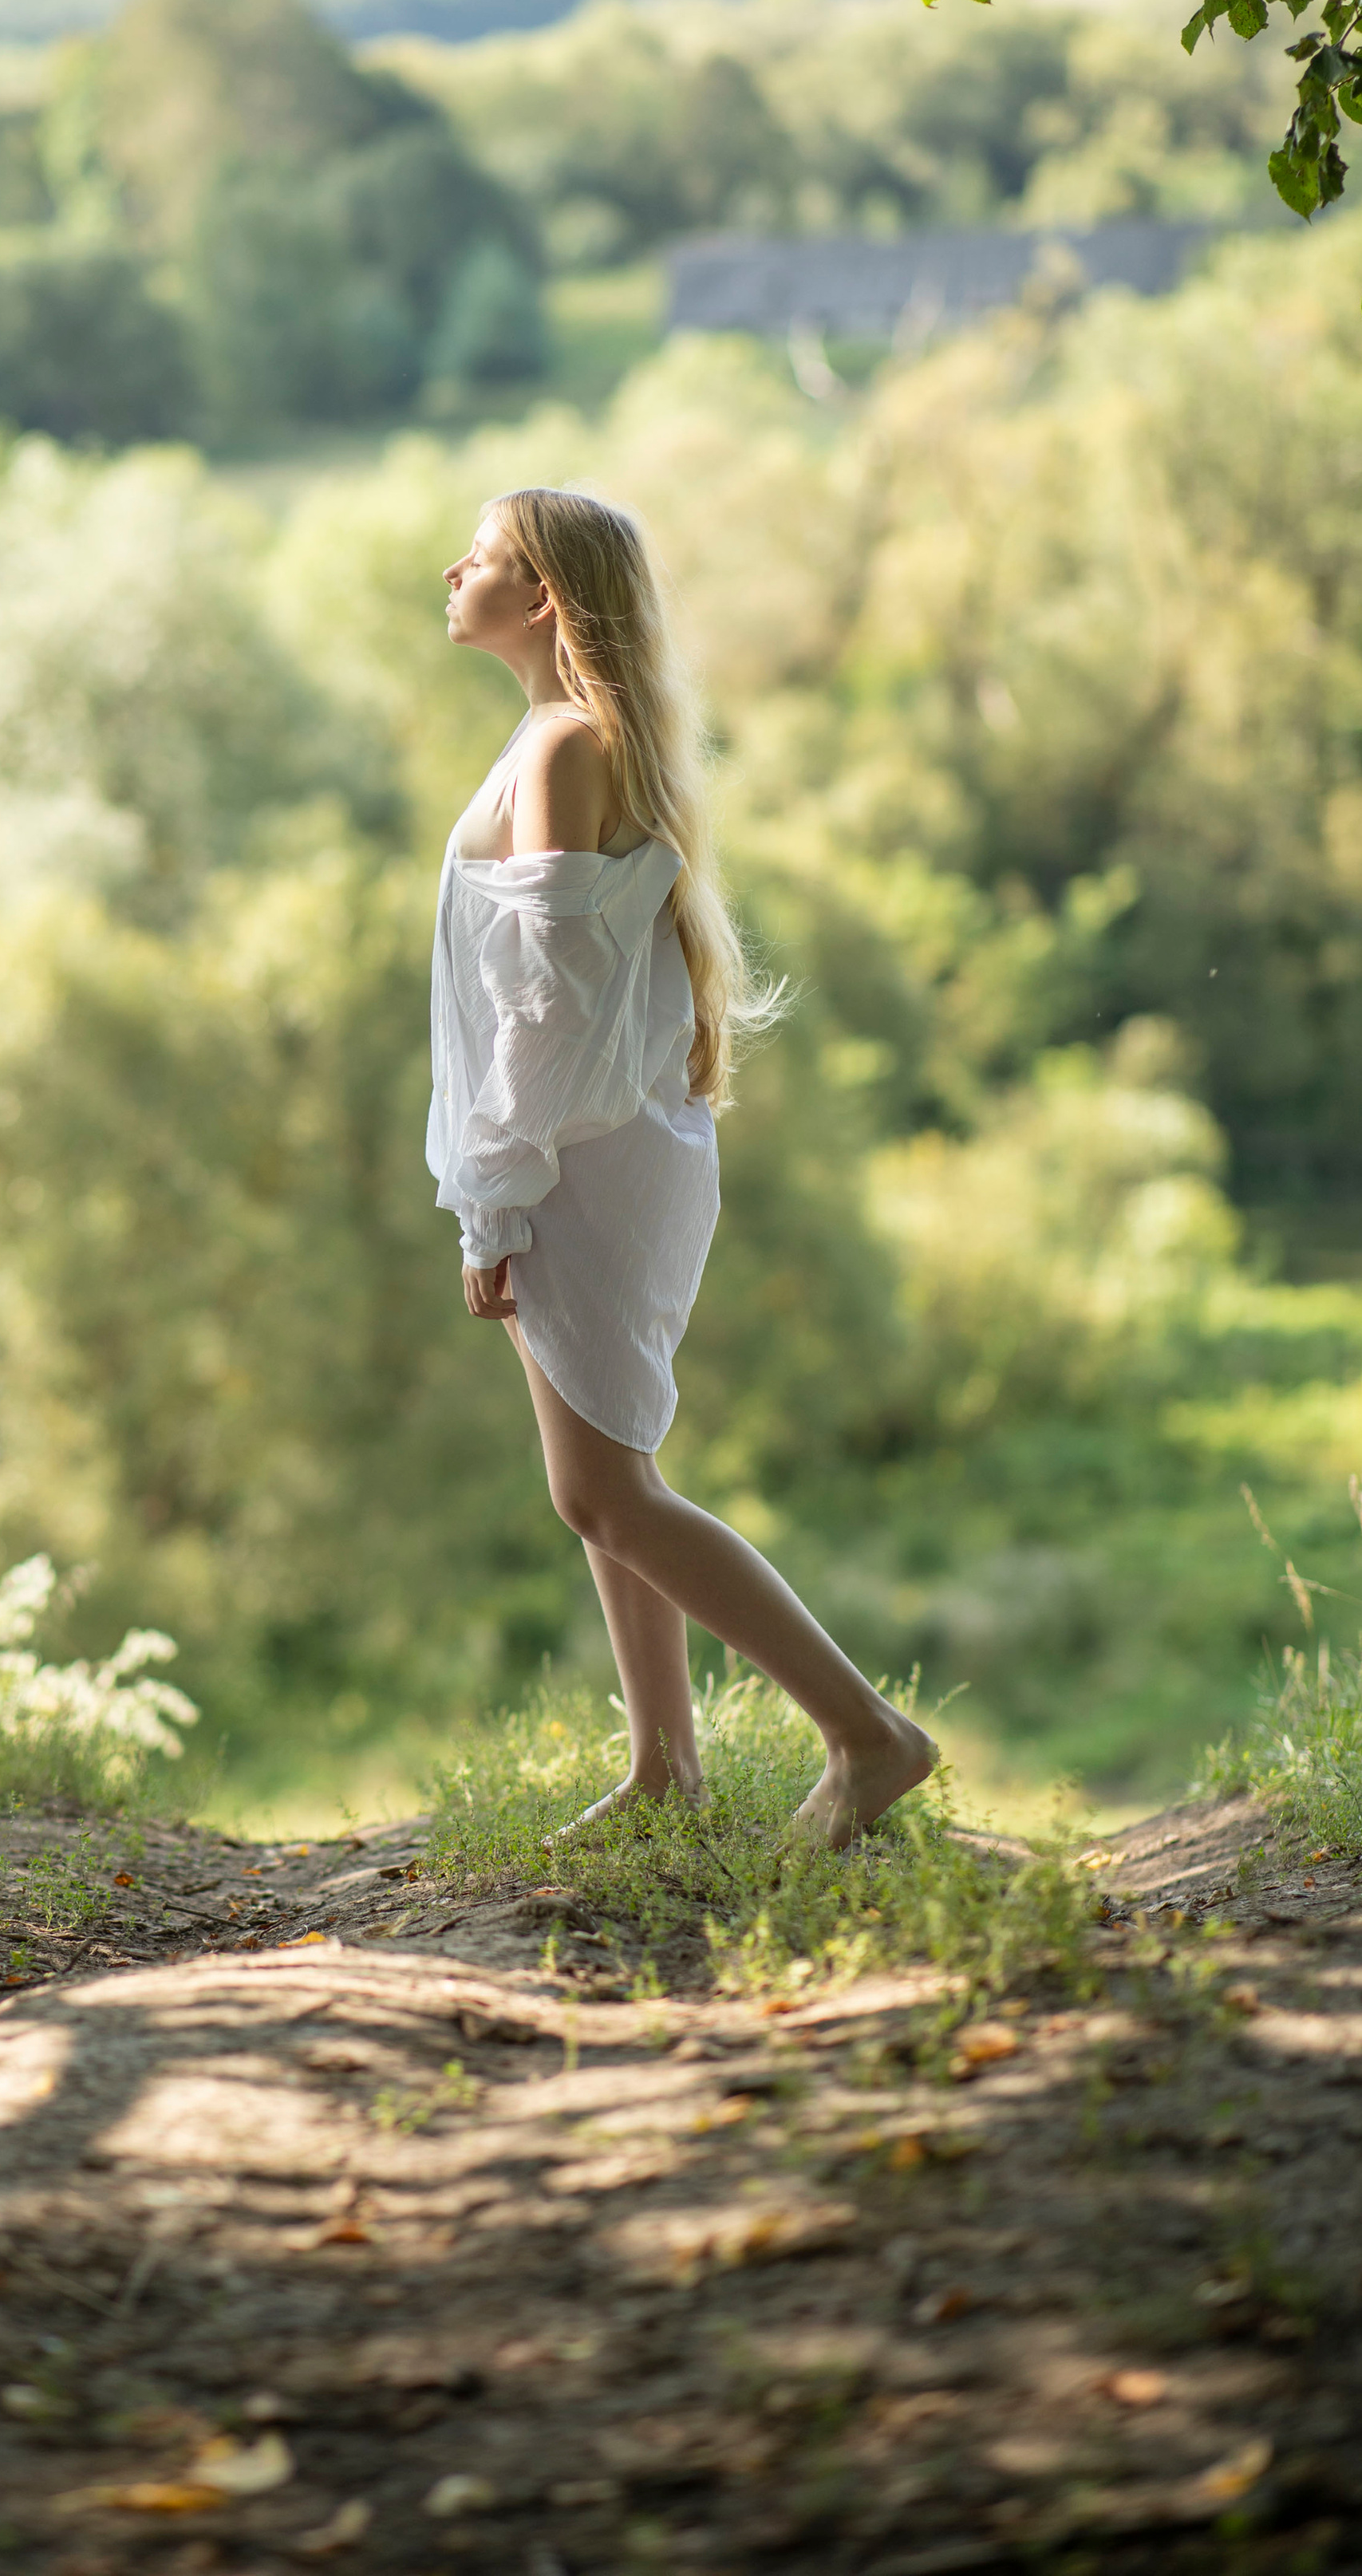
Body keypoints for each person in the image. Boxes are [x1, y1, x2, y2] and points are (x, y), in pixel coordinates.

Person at [432, 487, 937, 1847]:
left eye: (477, 559)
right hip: (599, 1148)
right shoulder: (568, 743)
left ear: (540, 597)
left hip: (581, 1161)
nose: (450, 570)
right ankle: (667, 1771)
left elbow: (546, 1007)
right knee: (614, 1476)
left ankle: (869, 1736)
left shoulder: (563, 753)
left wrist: (498, 1194)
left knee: (601, 1489)